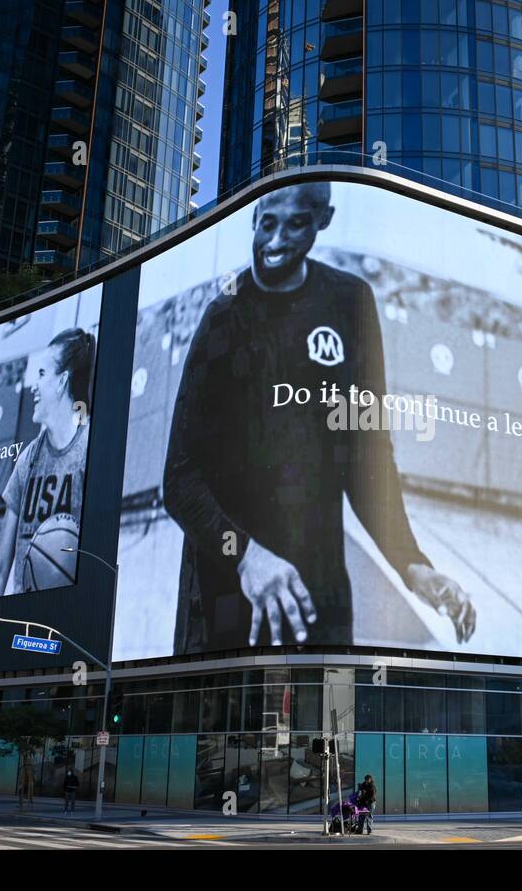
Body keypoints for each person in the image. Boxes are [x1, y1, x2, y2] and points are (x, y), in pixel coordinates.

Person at [163, 181, 475, 652]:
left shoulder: (350, 302)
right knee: (227, 724)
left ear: (322, 221)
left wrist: (411, 563)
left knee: (330, 723)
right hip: (228, 591)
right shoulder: (222, 319)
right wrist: (246, 557)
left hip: (319, 591)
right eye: (267, 224)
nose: (275, 241)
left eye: (296, 224)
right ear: (253, 219)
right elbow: (179, 480)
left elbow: (366, 451)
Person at [0, 328, 97, 596]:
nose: (34, 385)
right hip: (21, 619)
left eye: (42, 374)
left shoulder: (88, 453)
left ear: (62, 382)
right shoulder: (27, 460)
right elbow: (1, 567)